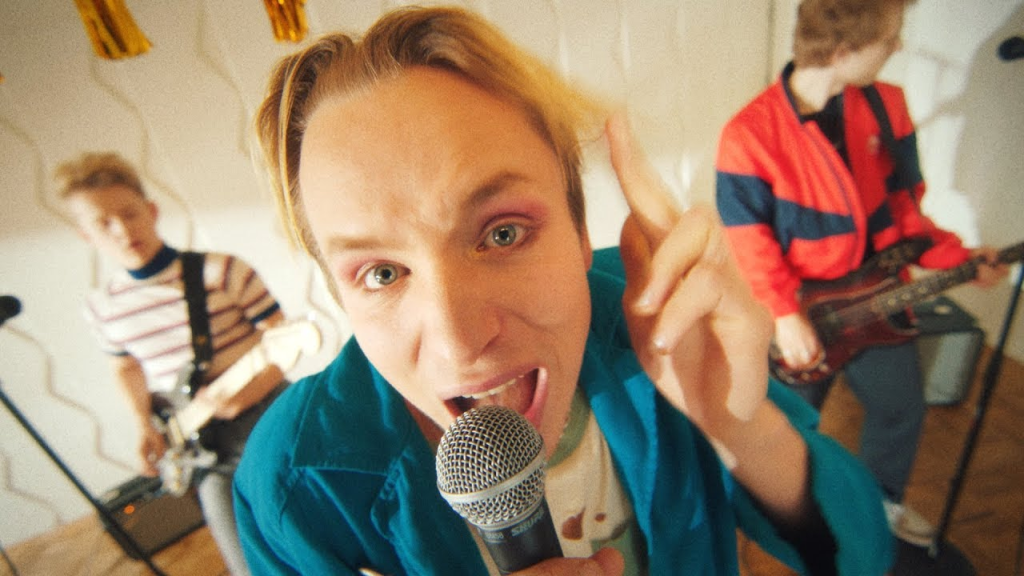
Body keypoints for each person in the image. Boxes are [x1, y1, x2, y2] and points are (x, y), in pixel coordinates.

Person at [234, 6, 892, 575]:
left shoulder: (662, 316)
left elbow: (862, 553)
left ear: (580, 231)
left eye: (502, 234)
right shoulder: (294, 486)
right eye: (382, 273)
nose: (461, 342)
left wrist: (735, 423)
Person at [715, 0, 1008, 549]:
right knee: (788, 423)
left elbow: (905, 212)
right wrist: (785, 315)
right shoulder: (748, 135)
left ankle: (879, 509)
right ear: (844, 51)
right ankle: (779, 519)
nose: (898, 46)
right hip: (803, 310)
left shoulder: (886, 105)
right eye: (889, 37)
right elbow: (748, 240)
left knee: (901, 409)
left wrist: (960, 260)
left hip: (879, 297)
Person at [57, 152, 289, 575]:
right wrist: (143, 425)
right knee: (245, 559)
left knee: (309, 526)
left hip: (268, 414)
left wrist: (247, 394)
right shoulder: (103, 308)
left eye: (129, 213)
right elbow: (125, 367)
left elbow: (284, 340)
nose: (122, 229)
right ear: (85, 235)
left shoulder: (222, 271)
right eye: (103, 222)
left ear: (151, 211)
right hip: (203, 447)